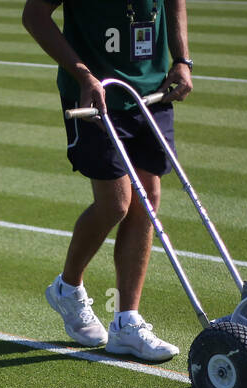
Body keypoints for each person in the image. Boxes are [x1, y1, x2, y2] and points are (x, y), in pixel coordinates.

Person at [22, 0, 193, 361]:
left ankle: (127, 324)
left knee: (148, 197)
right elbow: (34, 14)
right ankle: (68, 288)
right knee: (117, 203)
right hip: (95, 95)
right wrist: (83, 75)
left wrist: (181, 59)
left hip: (152, 89)